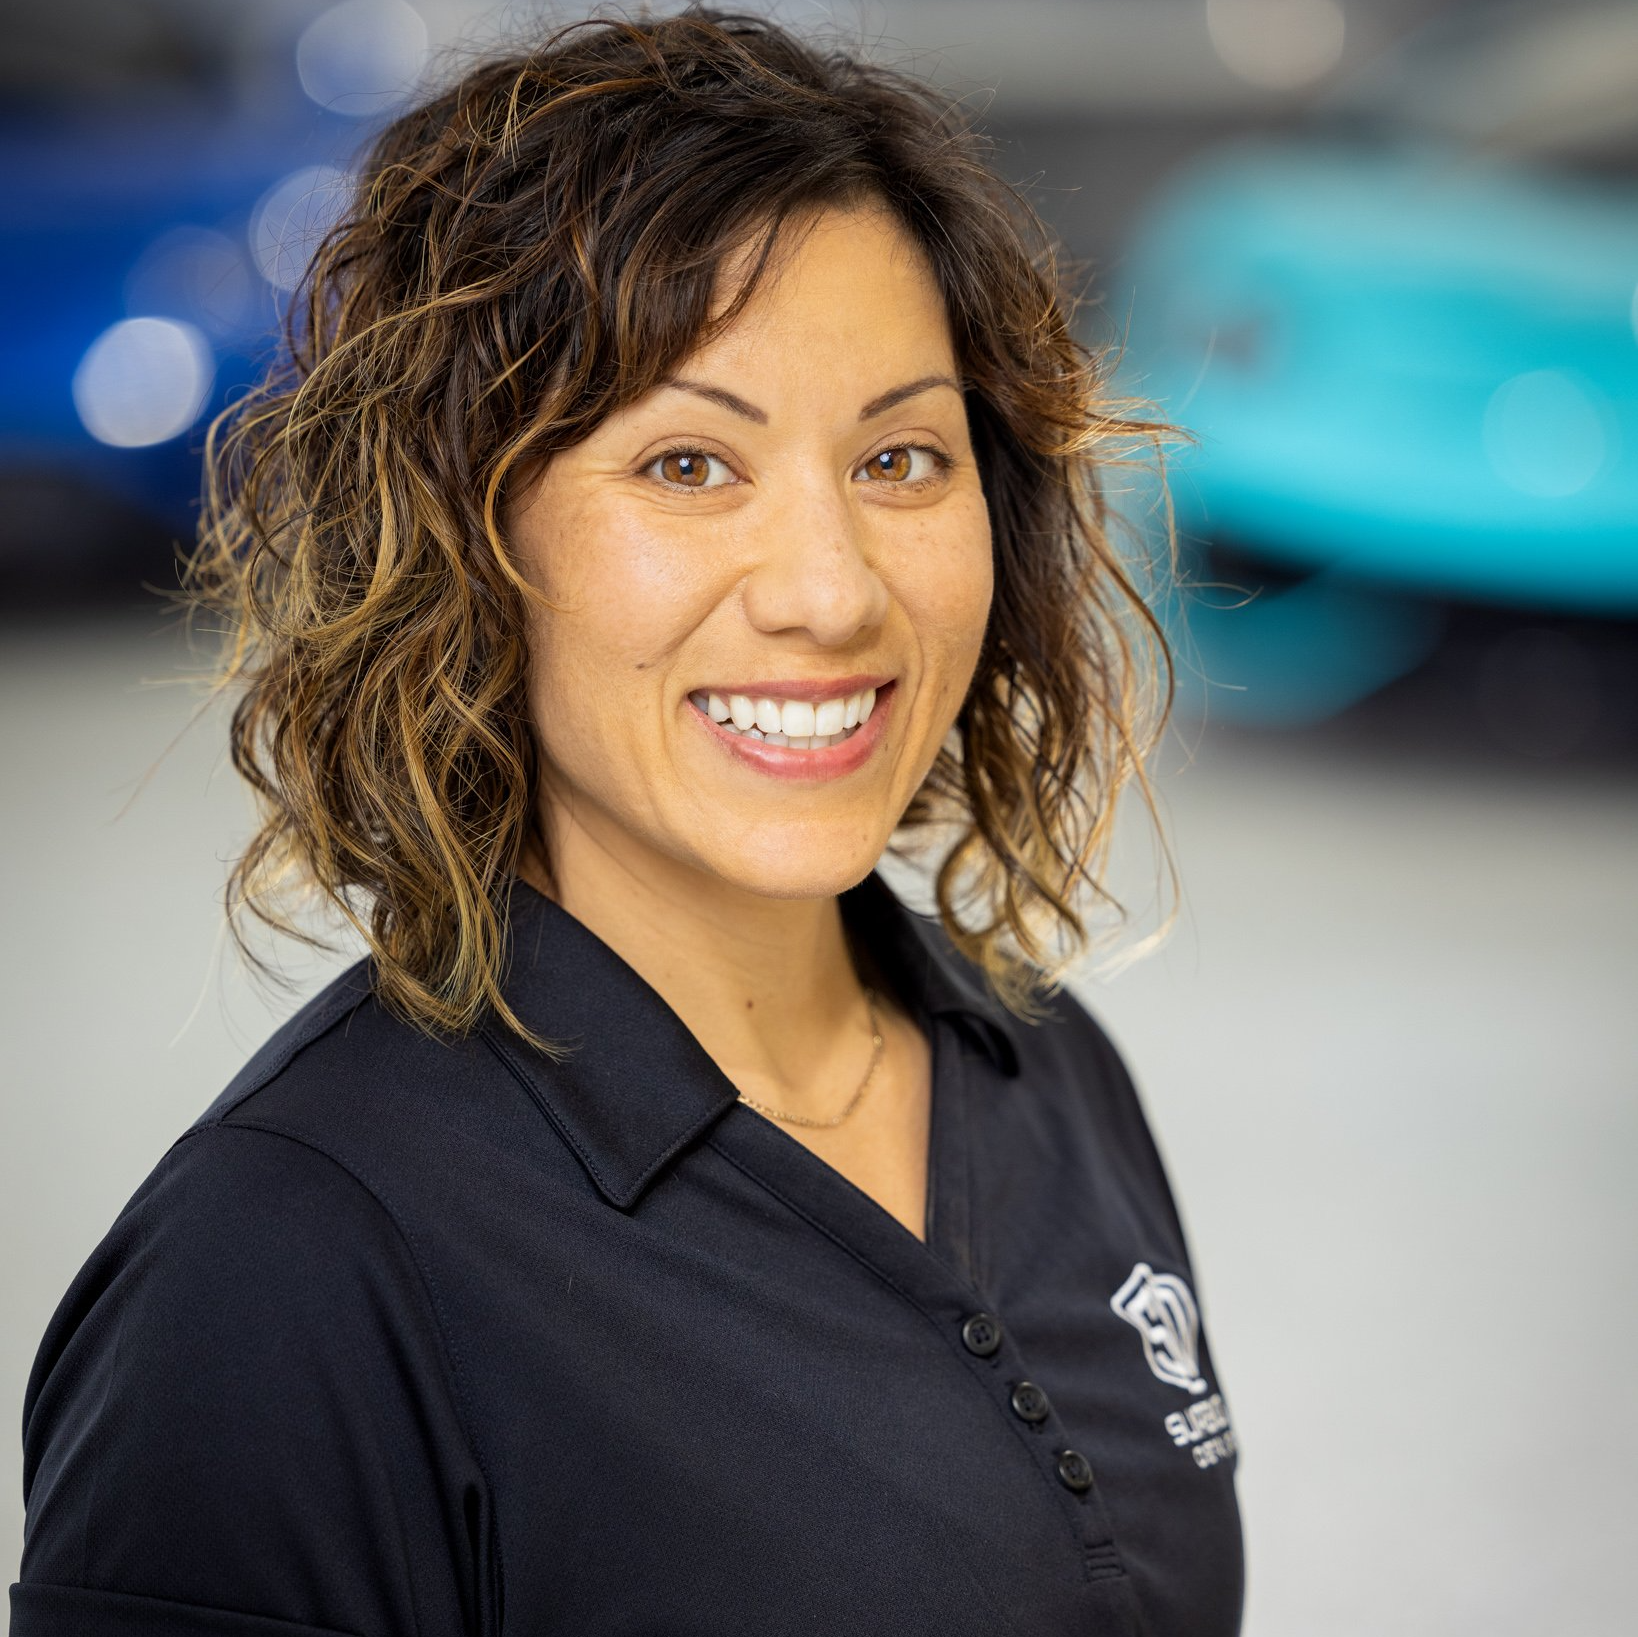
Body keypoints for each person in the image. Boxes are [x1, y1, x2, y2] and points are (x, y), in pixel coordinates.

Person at [10, 7, 1243, 1634]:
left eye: (899, 457)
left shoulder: (1043, 1072)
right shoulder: (285, 1269)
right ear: (462, 531)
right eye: (685, 463)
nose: (828, 591)